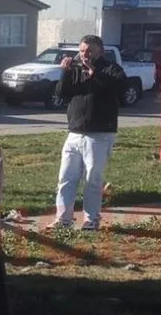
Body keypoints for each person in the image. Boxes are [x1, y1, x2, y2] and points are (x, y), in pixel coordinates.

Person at [48, 35, 127, 231]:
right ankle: (63, 219)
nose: (85, 55)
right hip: (75, 132)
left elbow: (120, 92)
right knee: (66, 178)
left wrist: (96, 75)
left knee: (93, 179)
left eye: (89, 51)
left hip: (99, 133)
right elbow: (61, 94)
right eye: (82, 51)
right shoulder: (76, 69)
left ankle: (91, 220)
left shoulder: (112, 70)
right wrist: (65, 73)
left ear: (100, 51)